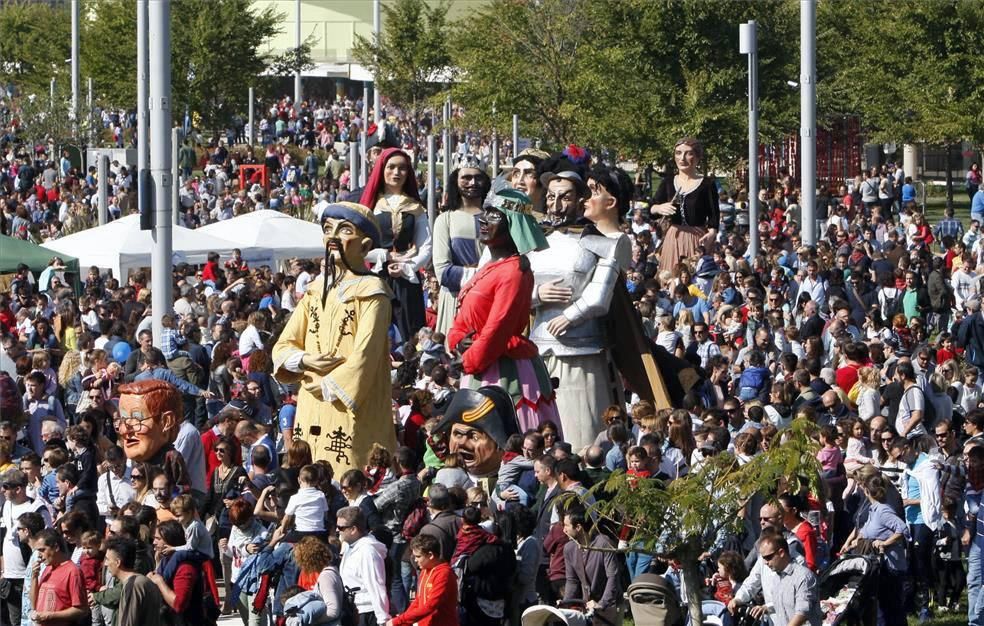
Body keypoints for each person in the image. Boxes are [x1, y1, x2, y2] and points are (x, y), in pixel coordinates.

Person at [272, 202, 397, 473]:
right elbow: (283, 344)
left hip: (348, 404)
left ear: (364, 246)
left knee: (347, 479)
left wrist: (328, 385)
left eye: (344, 230)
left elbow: (366, 353)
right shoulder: (315, 291)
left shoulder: (373, 292)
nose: (332, 237)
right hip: (310, 404)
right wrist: (304, 360)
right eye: (328, 229)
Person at [527, 164, 633, 451]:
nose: (556, 204)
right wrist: (538, 294)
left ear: (579, 199)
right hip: (537, 346)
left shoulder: (604, 242)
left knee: (581, 431)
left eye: (565, 197)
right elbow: (514, 289)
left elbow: (599, 297)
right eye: (551, 197)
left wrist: (570, 317)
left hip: (582, 349)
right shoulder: (533, 241)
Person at [447, 189, 559, 434]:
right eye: (485, 213)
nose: (484, 220)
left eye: (495, 216)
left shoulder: (514, 272)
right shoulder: (493, 266)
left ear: (513, 224)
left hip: (503, 370)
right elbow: (466, 313)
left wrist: (468, 360)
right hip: (480, 363)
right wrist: (457, 340)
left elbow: (498, 326)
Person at [360, 148, 431, 341]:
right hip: (376, 276)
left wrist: (408, 266)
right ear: (382, 169)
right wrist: (385, 256)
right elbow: (358, 247)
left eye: (402, 168)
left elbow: (425, 245)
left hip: (406, 277)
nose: (396, 172)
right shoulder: (371, 206)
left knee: (410, 334)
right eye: (391, 167)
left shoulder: (415, 207)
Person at [432, 158, 489, 336]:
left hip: (488, 298)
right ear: (456, 180)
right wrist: (484, 274)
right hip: (455, 299)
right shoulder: (445, 220)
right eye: (466, 178)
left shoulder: (495, 218)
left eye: (477, 178)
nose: (472, 183)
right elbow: (443, 272)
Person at [651, 138, 719, 271]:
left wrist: (712, 232)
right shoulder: (669, 181)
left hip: (697, 238)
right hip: (674, 237)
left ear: (698, 157)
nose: (682, 158)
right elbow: (651, 208)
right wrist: (659, 208)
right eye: (678, 153)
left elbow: (714, 215)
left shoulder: (706, 184)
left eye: (688, 153)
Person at [728, 533, 822, 626]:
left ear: (781, 553)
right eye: (763, 558)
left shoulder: (803, 576)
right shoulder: (777, 578)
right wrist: (739, 600)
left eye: (768, 557)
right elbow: (779, 606)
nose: (765, 563)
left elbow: (802, 613)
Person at [561, 505, 622, 626]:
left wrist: (602, 603)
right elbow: (572, 581)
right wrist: (565, 604)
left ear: (578, 527)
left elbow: (613, 576)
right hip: (588, 605)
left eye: (566, 525)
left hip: (610, 604)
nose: (564, 530)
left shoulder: (603, 544)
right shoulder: (569, 548)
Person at [386, 534, 458, 626]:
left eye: (418, 556)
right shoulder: (425, 570)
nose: (415, 560)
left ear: (430, 555)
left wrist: (398, 621)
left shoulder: (444, 574)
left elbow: (430, 606)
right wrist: (404, 621)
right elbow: (418, 600)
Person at [337, 506, 389, 626]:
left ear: (353, 529)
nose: (337, 530)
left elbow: (376, 585)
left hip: (367, 613)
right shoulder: (350, 547)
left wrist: (382, 619)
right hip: (354, 609)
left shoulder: (367, 552)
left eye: (341, 527)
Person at [97, 537, 163, 626]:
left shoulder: (133, 586)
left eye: (108, 559)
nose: (105, 563)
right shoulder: (141, 581)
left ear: (117, 562)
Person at [29, 529, 88, 626]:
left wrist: (49, 616)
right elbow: (33, 603)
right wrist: (34, 577)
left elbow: (81, 610)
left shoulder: (73, 572)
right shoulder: (47, 569)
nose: (39, 556)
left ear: (56, 547)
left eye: (42, 550)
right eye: (37, 551)